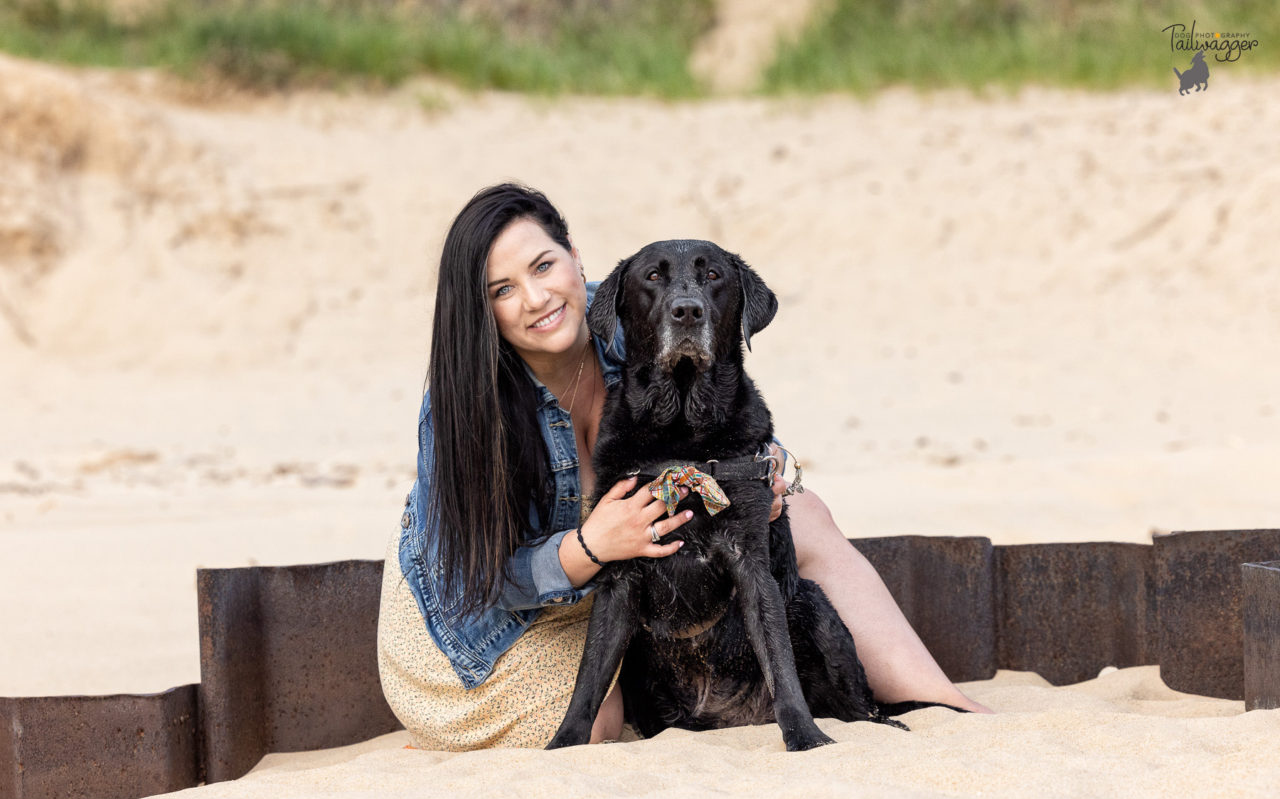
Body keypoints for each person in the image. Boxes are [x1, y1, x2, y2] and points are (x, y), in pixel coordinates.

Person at [377, 183, 989, 752]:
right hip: (478, 622)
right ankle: (445, 729)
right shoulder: (465, 400)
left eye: (543, 266)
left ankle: (943, 705)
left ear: (574, 256)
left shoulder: (634, 311)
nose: (537, 299)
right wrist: (593, 546)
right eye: (502, 289)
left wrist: (769, 470)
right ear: (482, 310)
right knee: (597, 726)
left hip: (612, 585)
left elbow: (728, 412)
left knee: (804, 512)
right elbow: (479, 577)